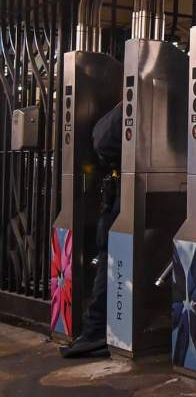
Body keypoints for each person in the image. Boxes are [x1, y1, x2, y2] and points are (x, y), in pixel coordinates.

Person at [60, 102, 122, 358]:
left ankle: (97, 332)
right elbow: (104, 139)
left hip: (118, 192)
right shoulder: (129, 105)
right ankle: (98, 332)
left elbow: (102, 138)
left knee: (109, 260)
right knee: (111, 260)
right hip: (122, 195)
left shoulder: (121, 108)